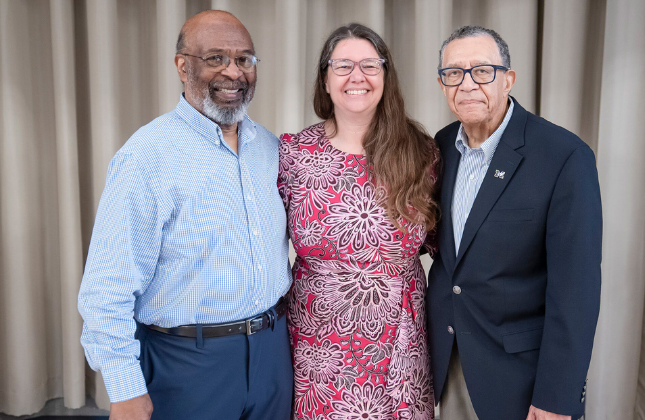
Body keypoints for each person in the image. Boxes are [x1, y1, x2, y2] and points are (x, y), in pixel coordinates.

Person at [78, 10, 293, 420]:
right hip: (186, 364)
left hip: (272, 356)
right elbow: (107, 288)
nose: (234, 72)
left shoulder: (270, 149)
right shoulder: (146, 157)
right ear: (182, 66)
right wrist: (125, 390)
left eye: (244, 59)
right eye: (216, 58)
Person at [427, 26, 602, 420]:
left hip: (521, 379)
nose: (467, 84)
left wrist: (558, 396)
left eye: (482, 71)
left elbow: (576, 291)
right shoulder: (439, 148)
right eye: (453, 73)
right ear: (442, 85)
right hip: (449, 365)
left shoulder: (563, 156)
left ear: (508, 79)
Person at [277, 23, 439, 420]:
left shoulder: (423, 153)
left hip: (399, 341)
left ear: (386, 77)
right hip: (316, 342)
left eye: (370, 64)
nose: (357, 76)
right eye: (343, 65)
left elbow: (446, 244)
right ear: (325, 79)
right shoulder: (292, 154)